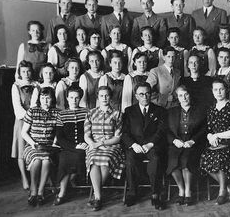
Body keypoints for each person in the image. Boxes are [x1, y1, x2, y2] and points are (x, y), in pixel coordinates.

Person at [121, 82, 166, 210]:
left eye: (147, 93)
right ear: (136, 96)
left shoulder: (159, 110)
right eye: (141, 94)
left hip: (152, 146)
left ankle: (155, 194)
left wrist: (151, 144)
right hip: (135, 146)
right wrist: (133, 145)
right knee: (130, 160)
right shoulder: (129, 111)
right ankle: (132, 193)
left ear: (151, 94)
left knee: (156, 159)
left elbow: (161, 131)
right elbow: (124, 133)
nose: (145, 96)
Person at [200, 79, 230, 205]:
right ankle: (229, 188)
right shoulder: (211, 109)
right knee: (203, 159)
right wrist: (210, 137)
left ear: (226, 90)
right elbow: (207, 129)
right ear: (212, 92)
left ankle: (222, 191)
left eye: (221, 89)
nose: (218, 92)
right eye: (215, 89)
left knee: (219, 157)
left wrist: (217, 135)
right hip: (215, 143)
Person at [84, 86, 125, 211]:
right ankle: (98, 197)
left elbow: (118, 137)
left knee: (106, 159)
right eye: (101, 95)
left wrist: (102, 143)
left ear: (110, 97)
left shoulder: (117, 114)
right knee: (93, 160)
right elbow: (86, 135)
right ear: (98, 97)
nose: (104, 98)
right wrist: (92, 144)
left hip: (111, 145)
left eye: (107, 95)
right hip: (94, 145)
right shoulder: (90, 113)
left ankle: (96, 196)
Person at [166, 86, 206, 206]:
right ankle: (181, 189)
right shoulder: (171, 112)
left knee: (186, 159)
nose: (184, 98)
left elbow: (204, 130)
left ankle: (188, 191)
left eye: (186, 94)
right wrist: (174, 140)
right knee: (172, 160)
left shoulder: (200, 111)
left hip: (193, 144)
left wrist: (193, 141)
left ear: (190, 95)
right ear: (177, 98)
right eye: (180, 95)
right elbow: (166, 130)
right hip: (177, 143)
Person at [21, 87, 61, 206]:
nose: (45, 101)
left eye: (48, 98)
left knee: (46, 161)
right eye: (42, 98)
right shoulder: (32, 111)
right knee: (37, 160)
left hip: (48, 146)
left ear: (52, 99)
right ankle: (33, 190)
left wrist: (54, 144)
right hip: (33, 146)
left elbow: (58, 133)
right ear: (39, 99)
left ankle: (40, 191)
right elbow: (24, 132)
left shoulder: (57, 113)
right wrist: (33, 144)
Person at [54, 86, 88, 205]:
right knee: (64, 159)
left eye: (77, 97)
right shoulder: (61, 114)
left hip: (84, 146)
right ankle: (62, 193)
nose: (74, 100)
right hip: (68, 148)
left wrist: (85, 143)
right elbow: (60, 137)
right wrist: (74, 146)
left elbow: (90, 131)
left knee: (80, 156)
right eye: (71, 97)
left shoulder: (87, 112)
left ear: (80, 98)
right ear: (67, 98)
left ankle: (72, 182)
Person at [12, 61, 37, 191]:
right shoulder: (16, 86)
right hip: (21, 120)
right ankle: (24, 178)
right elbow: (17, 108)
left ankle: (35, 177)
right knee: (21, 150)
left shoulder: (36, 85)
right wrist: (29, 116)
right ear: (20, 72)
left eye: (28, 71)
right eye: (23, 71)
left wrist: (33, 117)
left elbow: (35, 104)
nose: (26, 74)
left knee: (34, 147)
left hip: (35, 120)